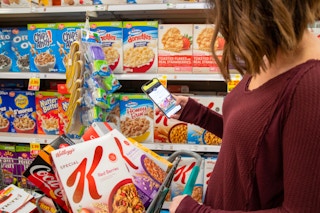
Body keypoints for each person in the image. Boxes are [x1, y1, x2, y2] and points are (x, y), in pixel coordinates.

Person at [168, 0, 320, 212]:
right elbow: (252, 144)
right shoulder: (268, 56)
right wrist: (197, 113)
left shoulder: (311, 86)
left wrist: (194, 211)